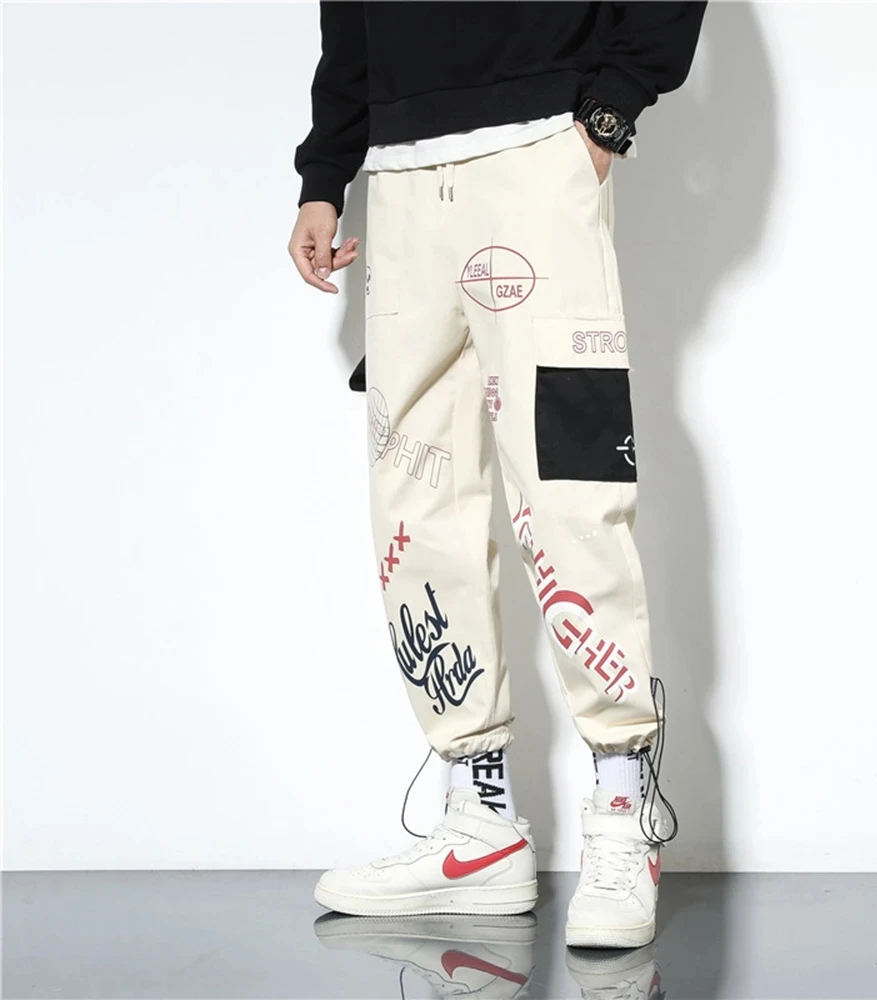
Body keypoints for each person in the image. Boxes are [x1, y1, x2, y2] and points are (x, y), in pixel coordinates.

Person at [289, 0, 706, 950]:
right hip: (399, 176)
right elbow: (347, 17)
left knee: (569, 485)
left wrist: (609, 113)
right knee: (416, 497)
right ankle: (479, 823)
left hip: (536, 152)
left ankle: (621, 805)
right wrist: (326, 175)